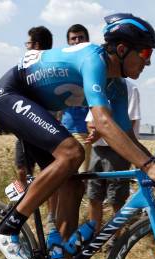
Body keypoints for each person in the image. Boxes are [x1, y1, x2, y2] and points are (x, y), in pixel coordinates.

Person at [0, 13, 155, 259]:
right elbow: (103, 124)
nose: (149, 61)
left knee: (73, 185)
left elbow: (125, 136)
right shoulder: (95, 61)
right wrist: (147, 166)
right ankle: (7, 228)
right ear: (121, 49)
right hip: (10, 95)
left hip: (34, 104)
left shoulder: (116, 85)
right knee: (72, 153)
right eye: (144, 53)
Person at [86, 79, 141, 238]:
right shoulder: (98, 85)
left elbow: (129, 122)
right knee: (93, 197)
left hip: (119, 149)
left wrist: (101, 130)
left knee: (116, 200)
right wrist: (94, 130)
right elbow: (90, 120)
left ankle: (115, 240)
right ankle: (93, 238)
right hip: (98, 149)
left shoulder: (130, 88)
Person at [15, 26, 53, 185]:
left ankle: (52, 211)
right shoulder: (24, 67)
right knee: (22, 170)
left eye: (28, 43)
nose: (27, 47)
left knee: (50, 172)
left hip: (43, 129)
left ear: (36, 45)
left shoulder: (48, 67)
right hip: (26, 131)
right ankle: (22, 207)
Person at [61, 24, 92, 173]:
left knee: (80, 177)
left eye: (81, 37)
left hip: (83, 130)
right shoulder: (63, 65)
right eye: (74, 38)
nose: (77, 41)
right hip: (64, 128)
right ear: (68, 42)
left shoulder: (92, 64)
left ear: (87, 40)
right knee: (62, 176)